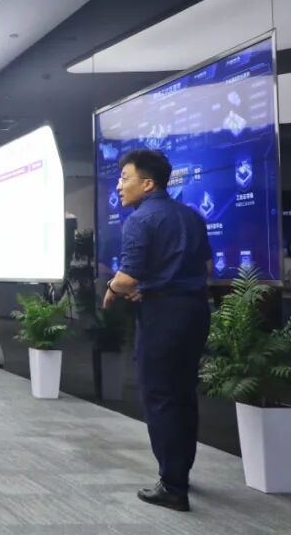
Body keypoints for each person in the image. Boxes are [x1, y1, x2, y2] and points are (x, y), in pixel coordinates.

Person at [103, 149, 211, 512]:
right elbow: (207, 268)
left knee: (160, 396)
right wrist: (151, 284)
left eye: (125, 178)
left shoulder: (140, 219)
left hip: (162, 316)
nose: (119, 186)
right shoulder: (191, 216)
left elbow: (126, 278)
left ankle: (172, 487)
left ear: (148, 184)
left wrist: (113, 288)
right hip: (194, 311)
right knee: (183, 394)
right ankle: (180, 472)